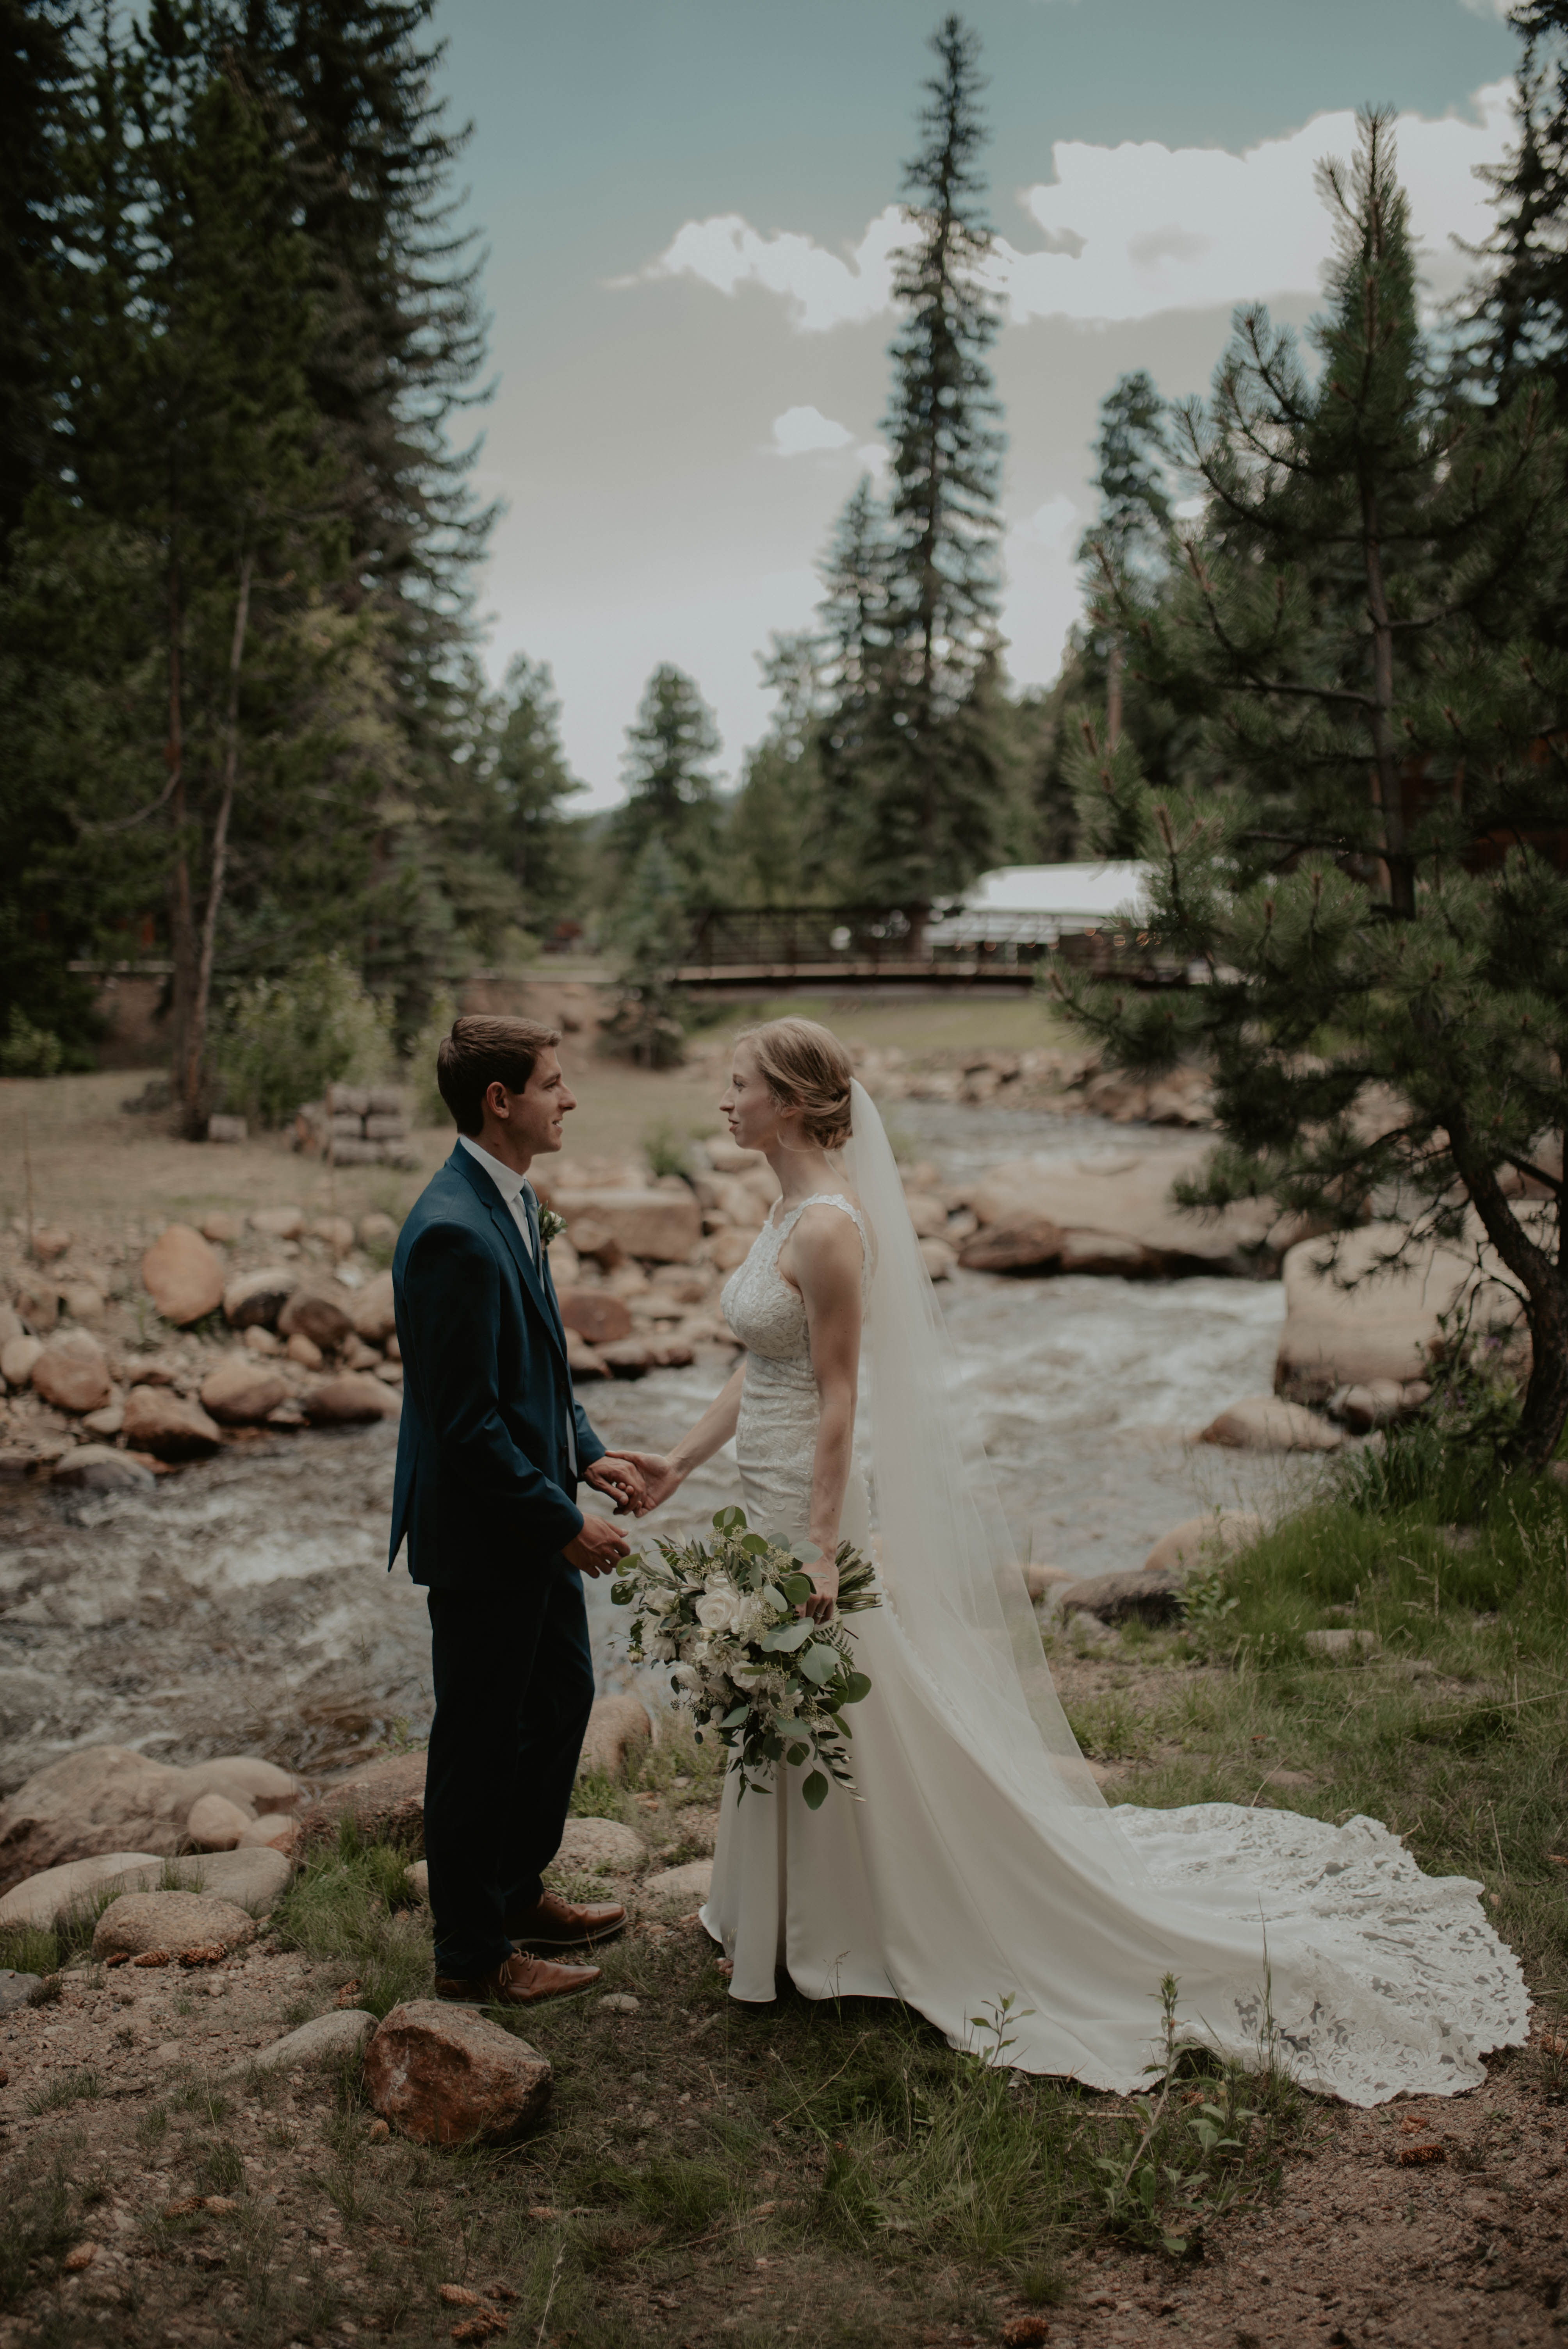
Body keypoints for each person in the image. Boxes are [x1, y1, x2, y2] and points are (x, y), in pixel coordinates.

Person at [636, 1018, 1529, 2105]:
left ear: (790, 1099)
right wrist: (681, 1462)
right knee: (784, 1694)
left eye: (738, 1085)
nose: (723, 1102)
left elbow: (837, 1400)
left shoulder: (828, 1227)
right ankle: (772, 1915)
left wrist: (822, 1552)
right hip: (755, 1489)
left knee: (833, 1697)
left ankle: (855, 1923)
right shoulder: (780, 1209)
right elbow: (762, 1366)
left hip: (806, 1505)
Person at [389, 1015, 662, 2008]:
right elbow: (465, 1426)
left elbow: (534, 1373)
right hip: (483, 1535)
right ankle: (470, 1956)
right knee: (475, 1741)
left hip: (530, 1511)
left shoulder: (510, 1198)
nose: (569, 1098)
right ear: (500, 1100)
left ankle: (514, 1889)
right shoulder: (453, 1230)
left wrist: (589, 1453)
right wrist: (562, 1522)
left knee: (556, 1705)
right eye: (553, 1083)